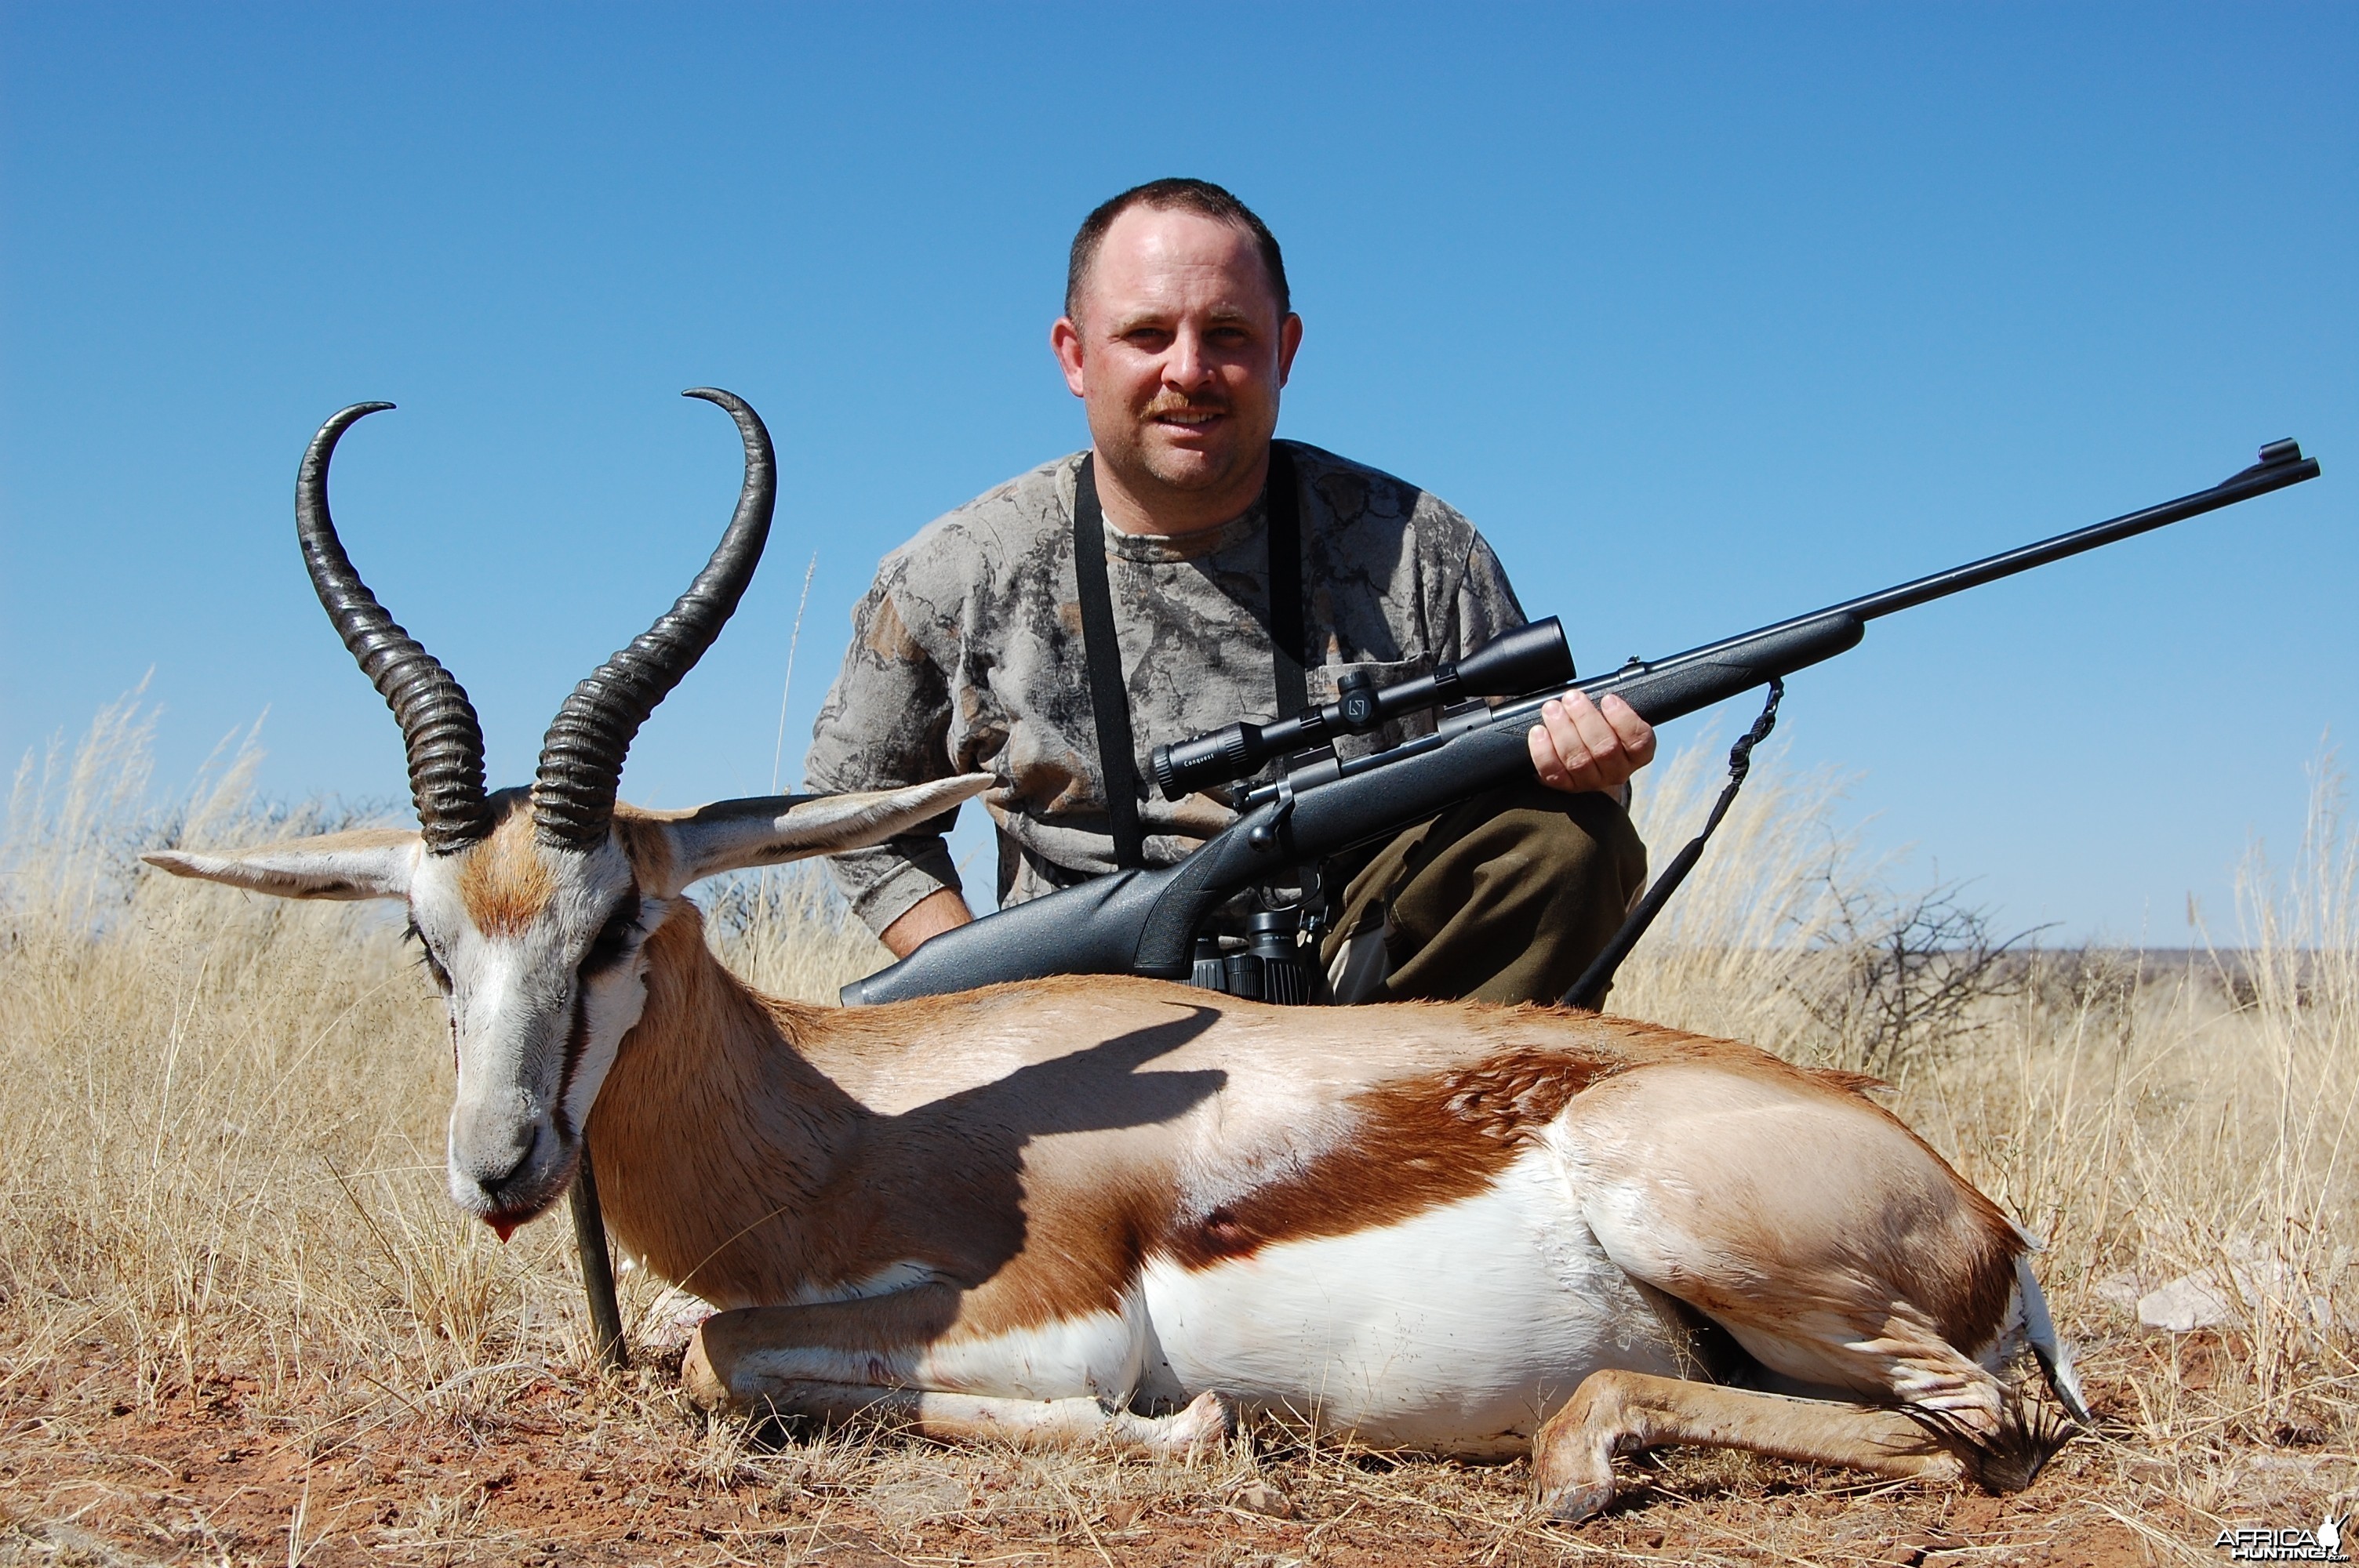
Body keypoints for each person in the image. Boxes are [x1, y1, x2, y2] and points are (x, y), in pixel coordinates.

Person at [805, 178, 1656, 1005]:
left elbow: (1539, 788)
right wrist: (983, 996)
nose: (1190, 370)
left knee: (1567, 839)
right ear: (1074, 354)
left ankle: (1426, 1137)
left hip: (1358, 996)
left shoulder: (1423, 548)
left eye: (1227, 334)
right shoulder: (958, 569)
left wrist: (1593, 774)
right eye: (1145, 334)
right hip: (1078, 1026)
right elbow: (849, 804)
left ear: (1283, 350)